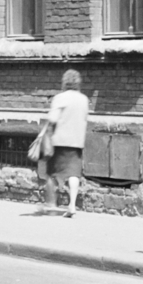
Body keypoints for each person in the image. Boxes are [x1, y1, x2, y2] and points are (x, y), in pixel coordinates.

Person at [42, 67, 88, 216]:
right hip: (76, 141)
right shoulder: (84, 99)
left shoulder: (60, 98)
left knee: (51, 173)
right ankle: (72, 206)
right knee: (74, 174)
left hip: (59, 140)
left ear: (64, 82)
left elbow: (53, 119)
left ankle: (50, 204)